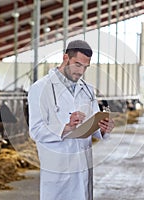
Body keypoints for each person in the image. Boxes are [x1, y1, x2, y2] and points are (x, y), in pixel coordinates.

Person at [28, 40, 115, 200]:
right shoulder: (40, 89)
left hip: (83, 166)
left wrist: (102, 128)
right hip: (58, 169)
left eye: (85, 67)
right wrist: (66, 127)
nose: (81, 71)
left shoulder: (87, 90)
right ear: (65, 58)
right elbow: (36, 130)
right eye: (77, 64)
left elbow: (93, 124)